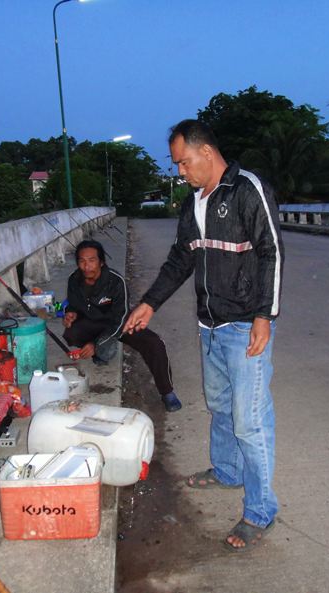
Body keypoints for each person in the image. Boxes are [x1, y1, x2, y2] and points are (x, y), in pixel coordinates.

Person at [124, 119, 284, 551]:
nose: (180, 171)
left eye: (183, 162)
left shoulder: (247, 189)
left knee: (250, 421)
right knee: (219, 405)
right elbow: (180, 260)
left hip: (245, 323)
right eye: (177, 164)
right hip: (209, 324)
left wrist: (265, 316)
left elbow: (271, 251)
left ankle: (261, 510)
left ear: (207, 152)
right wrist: (149, 303)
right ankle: (227, 471)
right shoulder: (194, 203)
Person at [62, 239, 183, 412]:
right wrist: (70, 314)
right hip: (91, 322)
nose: (86, 266)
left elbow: (120, 318)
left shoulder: (115, 281)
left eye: (92, 260)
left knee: (154, 343)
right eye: (82, 261)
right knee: (71, 332)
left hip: (120, 323)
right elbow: (73, 305)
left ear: (101, 262)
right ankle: (103, 350)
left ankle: (167, 392)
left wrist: (96, 344)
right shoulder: (74, 280)